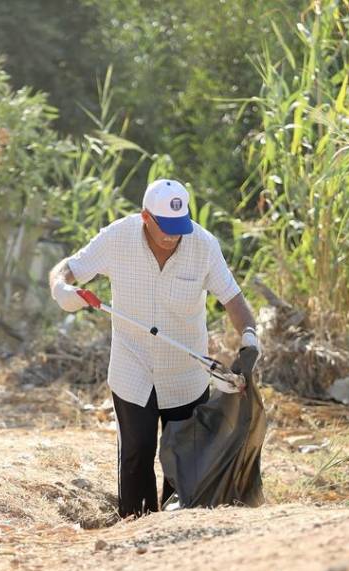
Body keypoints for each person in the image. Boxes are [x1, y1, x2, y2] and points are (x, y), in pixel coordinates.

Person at [50, 178, 259, 518]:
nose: (172, 236)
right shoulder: (117, 237)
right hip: (133, 369)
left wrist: (249, 336)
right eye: (165, 227)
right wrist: (62, 290)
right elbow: (67, 269)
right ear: (145, 216)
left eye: (179, 226)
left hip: (186, 374)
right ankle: (134, 529)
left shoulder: (203, 245)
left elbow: (233, 298)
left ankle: (177, 536)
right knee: (137, 452)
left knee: (184, 461)